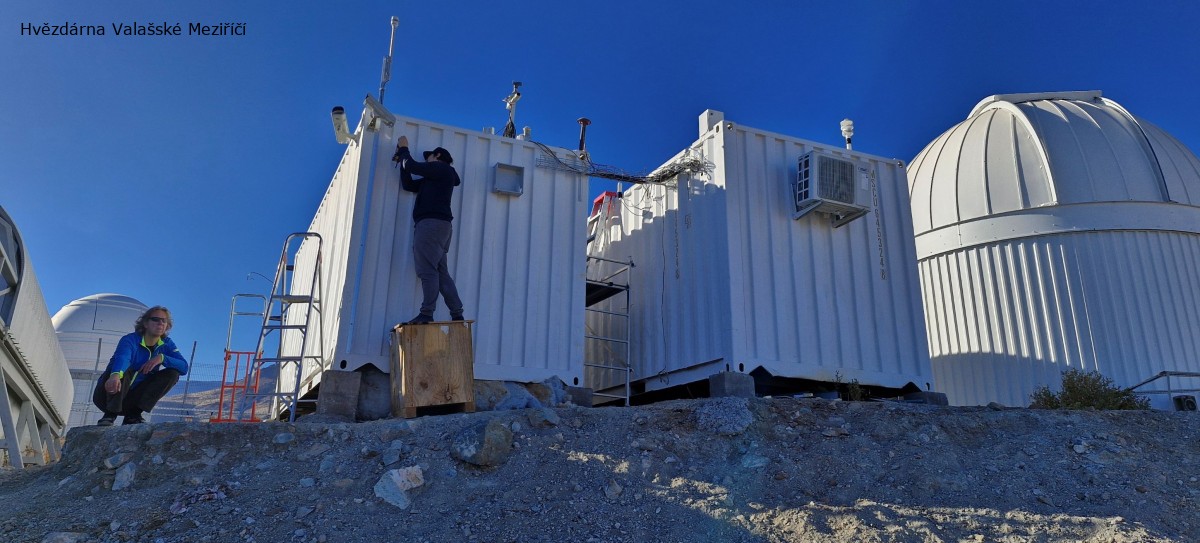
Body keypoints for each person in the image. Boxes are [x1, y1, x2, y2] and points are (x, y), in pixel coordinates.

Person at [392, 134, 465, 324]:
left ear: (438, 155)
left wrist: (403, 148)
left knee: (427, 270)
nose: (427, 162)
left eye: (429, 158)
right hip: (441, 226)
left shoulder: (441, 168)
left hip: (430, 225)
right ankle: (457, 314)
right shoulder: (437, 178)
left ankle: (426, 314)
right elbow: (408, 185)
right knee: (441, 272)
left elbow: (412, 166)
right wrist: (402, 161)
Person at [93, 306, 189, 426]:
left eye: (164, 320)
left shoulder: (166, 344)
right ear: (145, 323)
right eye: (155, 319)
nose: (160, 323)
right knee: (124, 369)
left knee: (173, 373)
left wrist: (162, 358)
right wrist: (115, 375)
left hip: (132, 400)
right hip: (108, 395)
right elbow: (123, 358)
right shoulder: (130, 340)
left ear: (167, 325)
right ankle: (109, 415)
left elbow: (184, 367)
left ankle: (133, 415)